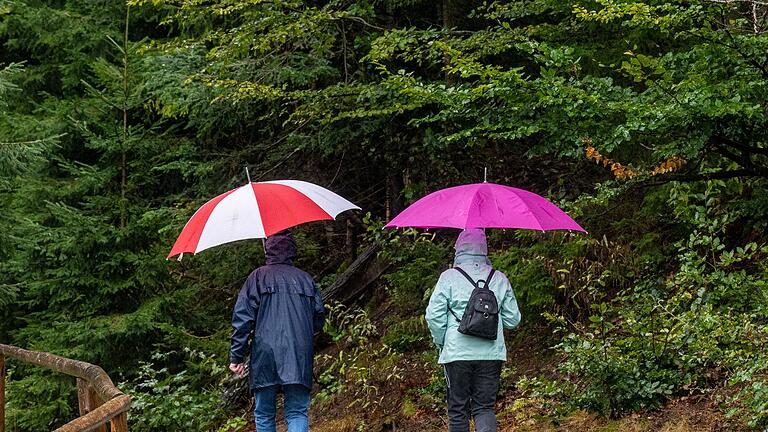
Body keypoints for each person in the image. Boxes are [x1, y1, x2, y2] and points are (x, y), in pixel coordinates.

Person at [425, 228, 521, 432]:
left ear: (459, 248)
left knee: (458, 409)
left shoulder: (449, 277)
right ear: (485, 249)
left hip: (456, 353)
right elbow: (513, 320)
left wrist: (442, 342)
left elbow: (433, 316)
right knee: (484, 407)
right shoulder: (499, 278)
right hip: (491, 354)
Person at [229, 230, 325, 432]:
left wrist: (237, 356)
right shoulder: (305, 279)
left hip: (264, 355)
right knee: (297, 412)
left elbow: (242, 319)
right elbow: (318, 318)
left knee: (264, 413)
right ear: (292, 250)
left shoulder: (257, 277)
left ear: (267, 249)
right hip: (298, 353)